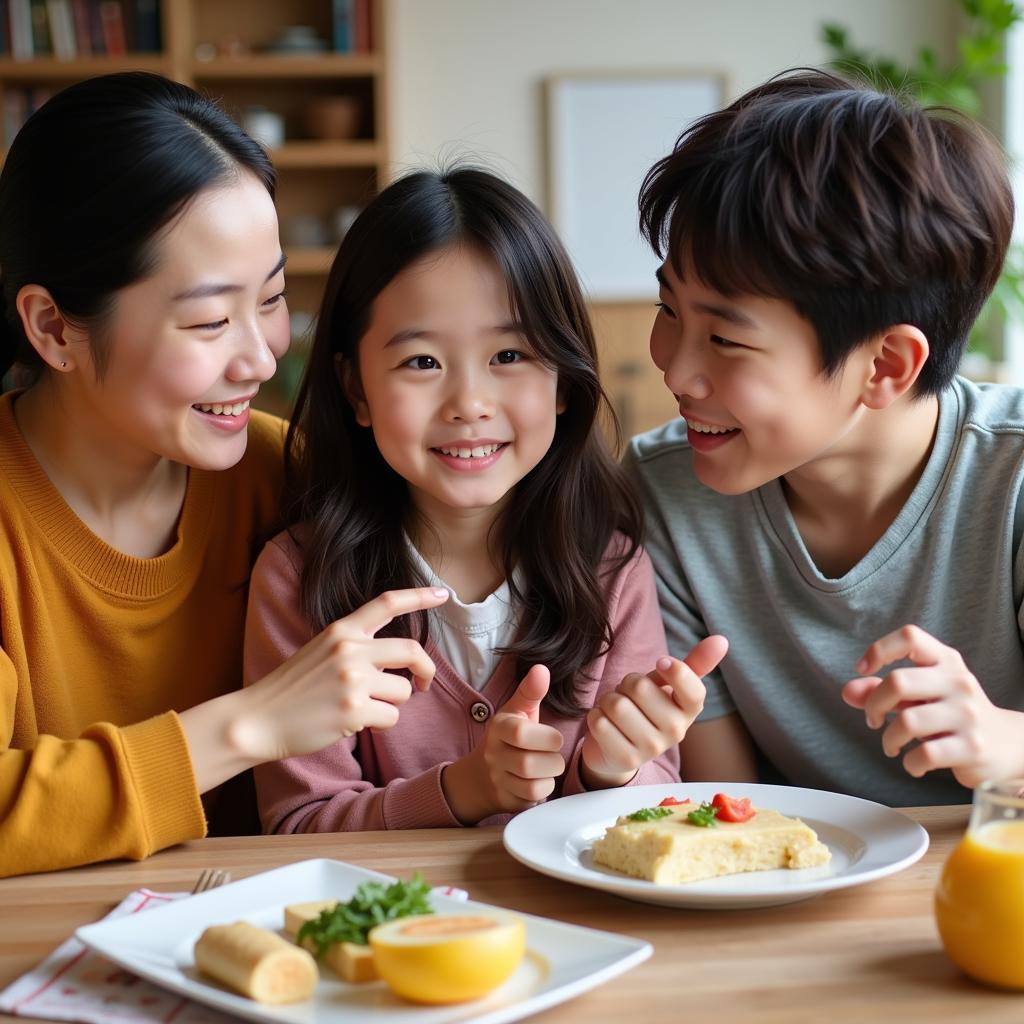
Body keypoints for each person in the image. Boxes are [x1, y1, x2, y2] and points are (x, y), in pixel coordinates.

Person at [0, 72, 449, 878]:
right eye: (208, 321)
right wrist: (250, 725)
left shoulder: (290, 478)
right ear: (52, 327)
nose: (261, 354)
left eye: (273, 299)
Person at [245, 166, 727, 832]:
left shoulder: (610, 568)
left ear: (563, 380)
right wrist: (461, 791)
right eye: (421, 362)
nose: (469, 404)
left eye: (510, 355)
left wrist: (611, 770)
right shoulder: (298, 576)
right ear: (355, 387)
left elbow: (649, 810)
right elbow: (296, 825)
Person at [625, 68, 1024, 806]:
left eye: (725, 339)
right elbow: (731, 819)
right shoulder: (665, 492)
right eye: (668, 307)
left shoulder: (1015, 479)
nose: (676, 368)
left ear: (886, 365)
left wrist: (1007, 743)